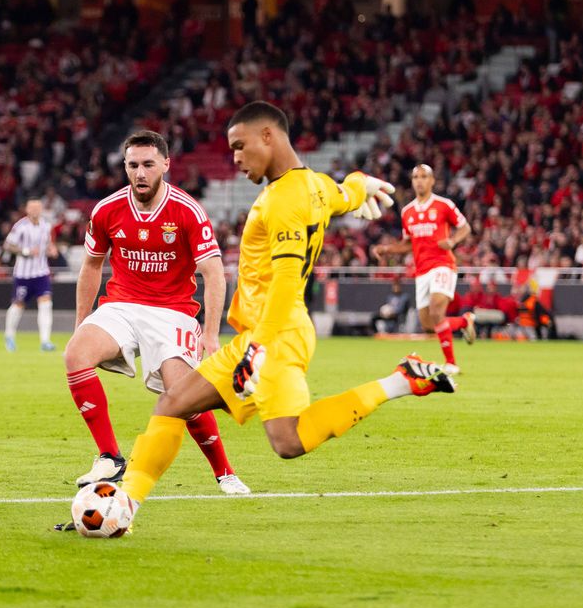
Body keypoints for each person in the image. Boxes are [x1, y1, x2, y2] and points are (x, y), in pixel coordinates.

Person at [114, 102, 455, 526]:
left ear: (268, 138)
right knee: (173, 402)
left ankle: (401, 381)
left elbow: (287, 280)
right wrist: (360, 183)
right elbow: (343, 195)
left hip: (276, 334)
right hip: (262, 332)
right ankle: (123, 507)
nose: (235, 158)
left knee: (287, 441)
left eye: (240, 146)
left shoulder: (285, 200)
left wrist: (257, 350)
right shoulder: (314, 185)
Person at [63, 130, 249, 495]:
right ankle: (110, 457)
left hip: (172, 311)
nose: (140, 173)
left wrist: (210, 333)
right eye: (132, 165)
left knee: (183, 394)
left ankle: (224, 472)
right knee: (76, 354)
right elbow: (91, 266)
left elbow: (213, 273)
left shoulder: (187, 210)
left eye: (148, 164)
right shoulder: (107, 209)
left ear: (165, 164)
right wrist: (81, 323)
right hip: (121, 305)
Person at [371, 164, 476, 375]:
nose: (419, 180)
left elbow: (465, 227)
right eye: (415, 177)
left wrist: (453, 240)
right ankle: (465, 321)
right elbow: (408, 244)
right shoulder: (407, 211)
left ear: (432, 181)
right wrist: (387, 249)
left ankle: (451, 364)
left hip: (443, 264)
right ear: (412, 182)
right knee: (429, 325)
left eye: (424, 177)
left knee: (437, 311)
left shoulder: (443, 205)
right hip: (421, 270)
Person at [2, 198, 57, 352]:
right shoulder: (20, 226)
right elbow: (8, 245)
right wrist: (25, 251)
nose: (35, 211)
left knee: (46, 304)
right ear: (27, 210)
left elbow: (47, 243)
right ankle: (9, 335)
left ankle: (45, 341)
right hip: (23, 274)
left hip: (41, 272)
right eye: (32, 208)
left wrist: (51, 249)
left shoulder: (46, 225)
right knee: (18, 305)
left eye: (38, 208)